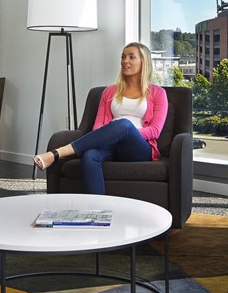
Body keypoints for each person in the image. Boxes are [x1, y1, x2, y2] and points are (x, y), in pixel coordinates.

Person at [33, 42, 167, 194]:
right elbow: (98, 128)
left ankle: (57, 153)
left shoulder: (158, 93)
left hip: (139, 148)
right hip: (111, 145)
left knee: (124, 124)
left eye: (131, 57)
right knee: (90, 156)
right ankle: (97, 210)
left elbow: (155, 130)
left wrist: (126, 132)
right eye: (123, 57)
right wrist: (114, 135)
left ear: (144, 62)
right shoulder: (109, 92)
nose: (125, 61)